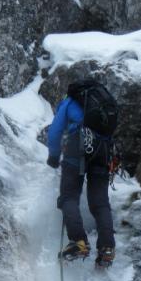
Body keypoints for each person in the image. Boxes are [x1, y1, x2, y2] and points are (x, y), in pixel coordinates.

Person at [46, 86, 116, 268]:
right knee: (100, 202)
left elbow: (55, 131)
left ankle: (78, 241)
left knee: (69, 196)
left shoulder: (70, 102)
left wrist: (53, 156)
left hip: (78, 146)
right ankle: (107, 247)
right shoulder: (104, 103)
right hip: (102, 150)